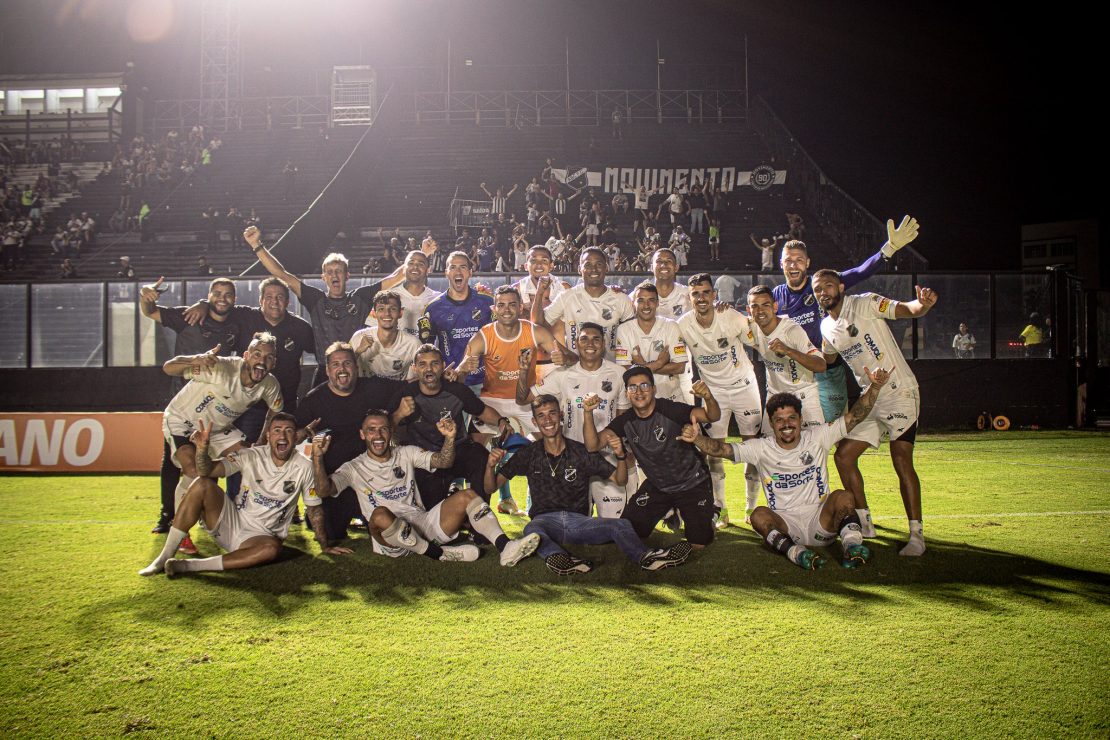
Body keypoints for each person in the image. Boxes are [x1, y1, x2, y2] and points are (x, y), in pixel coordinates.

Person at [680, 366, 892, 570]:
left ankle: (852, 547)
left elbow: (854, 416)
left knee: (844, 496)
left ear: (801, 419)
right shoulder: (761, 448)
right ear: (771, 424)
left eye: (792, 418)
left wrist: (874, 387)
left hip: (821, 521)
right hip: (786, 527)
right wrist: (697, 439)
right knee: (758, 515)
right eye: (779, 420)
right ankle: (796, 553)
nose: (786, 424)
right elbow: (721, 449)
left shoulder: (818, 436)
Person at [485, 395, 692, 575]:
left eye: (552, 413)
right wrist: (490, 466)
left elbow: (620, 480)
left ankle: (647, 557)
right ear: (534, 421)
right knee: (532, 529)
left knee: (621, 525)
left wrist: (620, 456)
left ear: (561, 417)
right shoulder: (528, 454)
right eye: (541, 415)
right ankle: (560, 559)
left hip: (579, 523)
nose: (547, 420)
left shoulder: (580, 452)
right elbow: (491, 488)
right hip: (545, 522)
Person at [811, 269, 938, 556]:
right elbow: (827, 360)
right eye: (818, 289)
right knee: (843, 456)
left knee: (902, 459)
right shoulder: (825, 328)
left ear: (841, 287)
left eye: (828, 286)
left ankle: (916, 536)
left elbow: (907, 310)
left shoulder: (865, 303)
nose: (823, 292)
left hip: (898, 392)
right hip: (870, 398)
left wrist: (923, 305)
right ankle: (865, 522)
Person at [311, 410, 540, 565]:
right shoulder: (353, 467)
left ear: (390, 431)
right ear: (362, 434)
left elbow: (443, 461)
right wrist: (318, 458)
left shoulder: (406, 452)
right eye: (371, 429)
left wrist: (450, 439)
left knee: (467, 495)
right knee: (380, 514)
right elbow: (324, 490)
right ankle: (439, 554)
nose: (377, 435)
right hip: (389, 538)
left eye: (383, 429)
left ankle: (506, 547)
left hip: (421, 523)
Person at [772, 215, 921, 422]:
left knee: (834, 431)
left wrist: (889, 248)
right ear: (781, 264)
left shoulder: (821, 285)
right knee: (796, 433)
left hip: (827, 371)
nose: (793, 265)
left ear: (807, 263)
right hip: (794, 370)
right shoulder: (776, 296)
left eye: (798, 260)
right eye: (788, 260)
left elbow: (861, 272)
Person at [138, 413, 325, 577]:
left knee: (271, 549)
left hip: (261, 537)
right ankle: (164, 557)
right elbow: (207, 471)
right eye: (277, 430)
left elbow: (314, 507)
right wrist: (202, 451)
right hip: (231, 522)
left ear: (295, 437)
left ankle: (188, 566)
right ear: (268, 436)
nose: (282, 435)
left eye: (289, 431)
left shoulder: (305, 466)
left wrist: (325, 546)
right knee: (201, 483)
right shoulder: (250, 455)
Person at [140, 276, 251, 534]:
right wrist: (145, 297)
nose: (222, 298)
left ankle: (204, 511)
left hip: (213, 409)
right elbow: (151, 312)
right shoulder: (188, 315)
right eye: (217, 293)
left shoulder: (238, 321)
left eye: (228, 294)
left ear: (234, 299)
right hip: (183, 403)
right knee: (172, 461)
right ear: (209, 296)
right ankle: (167, 515)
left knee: (206, 458)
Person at [160, 333, 284, 555]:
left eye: (268, 357)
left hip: (218, 428)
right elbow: (169, 368)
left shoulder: (269, 384)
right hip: (183, 421)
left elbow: (275, 411)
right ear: (246, 356)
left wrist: (261, 440)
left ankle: (249, 519)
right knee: (194, 469)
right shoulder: (220, 368)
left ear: (274, 362)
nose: (262, 361)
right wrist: (196, 359)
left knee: (253, 458)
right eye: (257, 354)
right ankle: (179, 530)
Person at [244, 225, 406, 386]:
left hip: (356, 369)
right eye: (329, 272)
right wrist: (257, 246)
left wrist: (423, 254)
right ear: (324, 277)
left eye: (339, 271)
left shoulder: (360, 297)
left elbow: (395, 277)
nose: (334, 275)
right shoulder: (315, 299)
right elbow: (281, 274)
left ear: (347, 275)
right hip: (324, 371)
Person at [460, 285, 572, 514]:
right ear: (494, 309)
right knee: (478, 450)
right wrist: (463, 368)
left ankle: (537, 506)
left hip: (526, 398)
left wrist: (562, 356)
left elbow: (564, 357)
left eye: (512, 304)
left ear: (520, 307)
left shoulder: (535, 331)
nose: (507, 310)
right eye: (501, 305)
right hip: (492, 400)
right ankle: (480, 510)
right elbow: (461, 373)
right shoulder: (484, 335)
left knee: (547, 446)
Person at [583, 366, 721, 549]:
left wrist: (708, 398)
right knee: (627, 532)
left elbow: (712, 416)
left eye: (644, 386)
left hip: (691, 483)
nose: (639, 392)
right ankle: (670, 511)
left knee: (698, 542)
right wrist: (587, 412)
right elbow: (593, 445)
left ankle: (710, 514)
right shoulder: (626, 421)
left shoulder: (671, 410)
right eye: (632, 387)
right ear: (627, 393)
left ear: (654, 389)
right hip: (659, 485)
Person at [293, 341, 403, 545]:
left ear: (356, 366)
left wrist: (399, 414)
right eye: (335, 365)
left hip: (372, 477)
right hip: (337, 479)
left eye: (347, 363)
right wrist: (303, 433)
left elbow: (410, 386)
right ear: (327, 370)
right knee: (329, 531)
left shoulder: (374, 387)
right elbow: (295, 434)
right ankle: (352, 513)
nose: (342, 369)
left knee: (391, 528)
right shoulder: (314, 400)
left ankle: (368, 514)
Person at [518, 323, 631, 518]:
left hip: (606, 456)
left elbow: (622, 417)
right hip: (572, 458)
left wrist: (622, 450)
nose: (590, 344)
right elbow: (523, 398)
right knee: (571, 524)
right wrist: (523, 371)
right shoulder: (563, 375)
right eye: (584, 339)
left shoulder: (619, 374)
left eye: (596, 339)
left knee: (613, 525)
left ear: (603, 344)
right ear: (576, 345)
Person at [676, 274, 763, 526]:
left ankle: (751, 507)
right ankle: (721, 508)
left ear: (714, 295)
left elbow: (758, 340)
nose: (701, 298)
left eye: (705, 292)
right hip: (713, 395)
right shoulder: (683, 324)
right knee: (714, 451)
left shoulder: (731, 317)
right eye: (696, 294)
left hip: (744, 388)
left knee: (752, 447)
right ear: (689, 297)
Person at [390, 344, 512, 509]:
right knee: (434, 513)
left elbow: (482, 411)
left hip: (459, 450)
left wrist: (501, 421)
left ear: (442, 366)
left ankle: (479, 515)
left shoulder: (457, 390)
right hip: (426, 458)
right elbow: (384, 429)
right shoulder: (406, 394)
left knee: (480, 456)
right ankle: (450, 506)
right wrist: (399, 414)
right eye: (422, 364)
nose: (429, 369)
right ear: (415, 368)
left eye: (434, 363)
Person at [745, 285, 827, 430]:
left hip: (803, 395)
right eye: (755, 306)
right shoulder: (749, 327)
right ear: (748, 310)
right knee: (769, 449)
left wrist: (788, 351)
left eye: (766, 305)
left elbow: (821, 365)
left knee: (814, 448)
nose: (760, 310)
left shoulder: (791, 331)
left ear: (775, 307)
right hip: (775, 396)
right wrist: (721, 306)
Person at [531, 247, 634, 360]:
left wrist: (622, 365)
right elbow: (538, 324)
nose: (593, 269)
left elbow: (632, 336)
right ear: (580, 269)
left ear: (607, 268)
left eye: (599, 264)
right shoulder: (567, 297)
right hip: (576, 369)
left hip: (611, 370)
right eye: (588, 265)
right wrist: (539, 293)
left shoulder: (621, 299)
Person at [418, 251, 494, 391]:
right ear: (446, 272)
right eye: (453, 267)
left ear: (470, 272)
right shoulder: (433, 308)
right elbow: (426, 349)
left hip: (486, 380)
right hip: (451, 380)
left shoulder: (487, 302)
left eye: (463, 267)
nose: (458, 271)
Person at [615, 282, 688, 403]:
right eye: (641, 300)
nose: (646, 305)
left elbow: (680, 367)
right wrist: (658, 363)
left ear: (657, 303)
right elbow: (624, 369)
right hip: (639, 400)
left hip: (671, 398)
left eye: (651, 300)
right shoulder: (624, 329)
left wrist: (641, 366)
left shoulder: (671, 326)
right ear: (633, 304)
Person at [350, 291, 422, 382]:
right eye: (381, 309)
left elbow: (421, 376)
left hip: (399, 394)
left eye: (392, 309)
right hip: (365, 393)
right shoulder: (358, 338)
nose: (387, 313)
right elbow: (344, 367)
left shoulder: (413, 344)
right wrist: (358, 352)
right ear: (373, 314)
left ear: (400, 313)